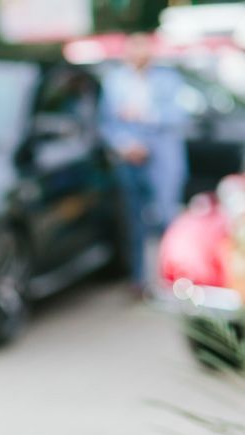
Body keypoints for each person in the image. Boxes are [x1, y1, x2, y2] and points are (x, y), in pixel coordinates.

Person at [99, 33, 188, 293]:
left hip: (163, 158)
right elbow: (106, 123)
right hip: (130, 158)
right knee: (134, 220)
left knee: (166, 215)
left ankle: (173, 279)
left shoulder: (168, 79)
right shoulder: (114, 81)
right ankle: (139, 280)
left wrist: (147, 114)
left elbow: (180, 115)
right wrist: (125, 144)